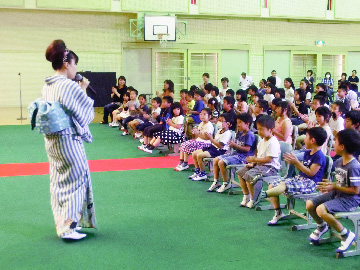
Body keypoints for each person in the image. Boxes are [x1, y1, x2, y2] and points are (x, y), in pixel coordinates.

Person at [40, 39, 96, 239]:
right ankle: (69, 227)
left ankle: (62, 223)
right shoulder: (69, 86)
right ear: (66, 64)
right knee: (76, 182)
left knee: (58, 183)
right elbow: (85, 114)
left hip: (52, 141)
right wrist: (82, 88)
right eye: (74, 64)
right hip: (68, 141)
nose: (75, 68)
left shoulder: (48, 85)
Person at [306, 129, 360, 253]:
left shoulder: (354, 166)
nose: (333, 143)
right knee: (310, 204)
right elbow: (339, 183)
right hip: (337, 195)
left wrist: (334, 186)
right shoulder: (338, 161)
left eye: (335, 141)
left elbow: (355, 190)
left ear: (342, 146)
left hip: (350, 200)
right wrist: (329, 187)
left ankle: (346, 234)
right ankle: (321, 226)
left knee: (321, 209)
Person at [260, 127, 327, 225]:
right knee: (272, 186)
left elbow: (311, 173)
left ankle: (263, 194)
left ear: (312, 140)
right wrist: (294, 162)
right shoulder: (308, 152)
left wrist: (296, 162)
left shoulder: (319, 156)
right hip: (300, 179)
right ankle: (278, 213)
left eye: (306, 137)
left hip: (310, 183)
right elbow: (301, 169)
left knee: (283, 185)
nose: (304, 140)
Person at [237, 115, 281, 208]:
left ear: (270, 129)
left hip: (270, 168)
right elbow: (258, 155)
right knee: (241, 173)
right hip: (260, 165)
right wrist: (253, 163)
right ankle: (246, 195)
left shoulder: (273, 142)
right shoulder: (261, 141)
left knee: (250, 176)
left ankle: (254, 199)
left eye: (261, 129)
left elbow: (269, 159)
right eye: (258, 129)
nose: (259, 132)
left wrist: (254, 160)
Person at [207, 113, 256, 193]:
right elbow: (236, 145)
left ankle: (226, 183)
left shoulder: (249, 135)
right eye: (237, 122)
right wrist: (232, 145)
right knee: (215, 160)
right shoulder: (240, 133)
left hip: (243, 157)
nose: (238, 124)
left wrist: (235, 145)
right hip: (236, 154)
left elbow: (247, 149)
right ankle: (216, 181)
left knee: (221, 162)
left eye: (240, 122)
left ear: (247, 124)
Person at [190, 113, 232, 181]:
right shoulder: (219, 131)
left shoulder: (227, 133)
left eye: (222, 121)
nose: (219, 122)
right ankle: (197, 171)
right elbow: (214, 141)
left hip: (219, 151)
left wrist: (210, 139)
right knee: (194, 153)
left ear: (228, 124)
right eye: (219, 120)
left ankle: (202, 174)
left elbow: (220, 146)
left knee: (199, 155)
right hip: (213, 147)